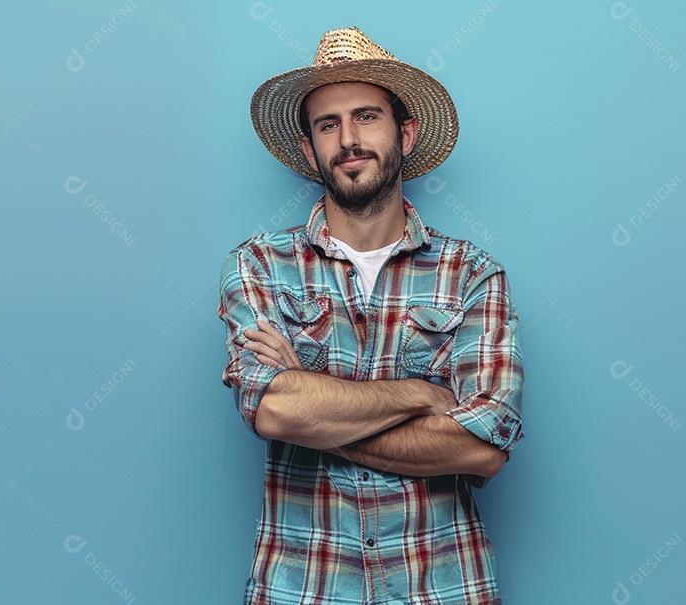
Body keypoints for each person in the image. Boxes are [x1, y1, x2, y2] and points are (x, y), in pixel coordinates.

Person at [218, 27, 524, 604]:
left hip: (441, 587)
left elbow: (482, 448)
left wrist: (316, 409)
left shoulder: (472, 274)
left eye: (366, 117)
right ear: (309, 150)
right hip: (303, 588)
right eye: (327, 125)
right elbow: (277, 411)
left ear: (404, 133)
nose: (348, 140)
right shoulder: (258, 265)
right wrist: (422, 395)